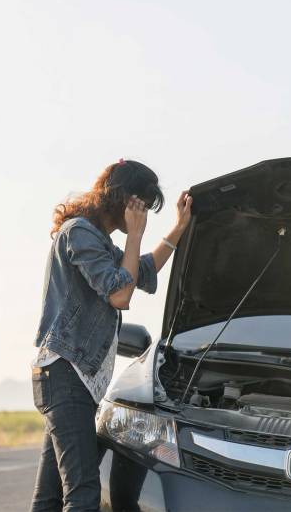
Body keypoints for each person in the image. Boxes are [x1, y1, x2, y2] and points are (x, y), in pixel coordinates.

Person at [30, 159, 192, 512]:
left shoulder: (99, 240)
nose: (142, 214)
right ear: (122, 197)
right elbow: (120, 294)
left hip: (75, 381)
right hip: (65, 373)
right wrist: (135, 235)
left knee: (50, 498)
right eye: (141, 205)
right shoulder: (80, 233)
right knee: (84, 495)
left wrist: (178, 230)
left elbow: (141, 272)